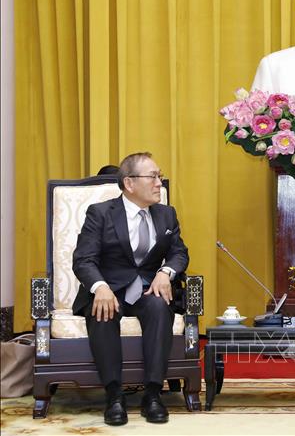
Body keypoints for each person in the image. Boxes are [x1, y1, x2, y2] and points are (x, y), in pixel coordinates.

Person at [72, 152, 189, 426]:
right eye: (153, 176)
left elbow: (179, 253)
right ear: (129, 183)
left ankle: (152, 394)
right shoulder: (101, 213)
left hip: (147, 290)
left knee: (160, 306)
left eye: (160, 176)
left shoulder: (166, 214)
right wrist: (99, 286)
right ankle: (114, 396)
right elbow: (83, 259)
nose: (159, 182)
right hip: (109, 289)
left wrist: (165, 272)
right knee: (102, 311)